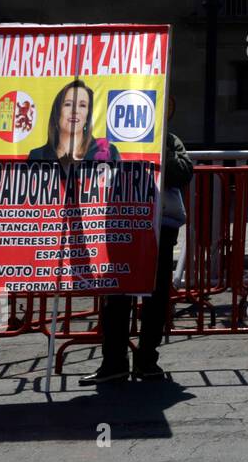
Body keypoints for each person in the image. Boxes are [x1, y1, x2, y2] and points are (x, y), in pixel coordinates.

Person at [82, 93, 193, 384]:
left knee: (156, 297)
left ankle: (147, 360)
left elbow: (183, 173)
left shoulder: (168, 139)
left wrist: (157, 147)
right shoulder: (106, 142)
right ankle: (114, 362)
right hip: (120, 225)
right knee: (117, 296)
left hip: (159, 228)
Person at [26, 79, 120, 165]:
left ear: (88, 115)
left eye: (82, 105)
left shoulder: (109, 152)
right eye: (68, 104)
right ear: (57, 112)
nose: (75, 111)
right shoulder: (37, 156)